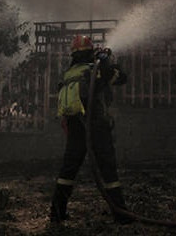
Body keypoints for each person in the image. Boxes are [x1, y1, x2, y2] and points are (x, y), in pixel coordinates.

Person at [50, 34, 132, 224]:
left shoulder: (69, 73)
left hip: (75, 126)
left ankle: (56, 212)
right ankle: (120, 213)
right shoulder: (96, 70)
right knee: (108, 170)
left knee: (68, 169)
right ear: (90, 52)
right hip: (96, 126)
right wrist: (106, 60)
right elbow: (121, 77)